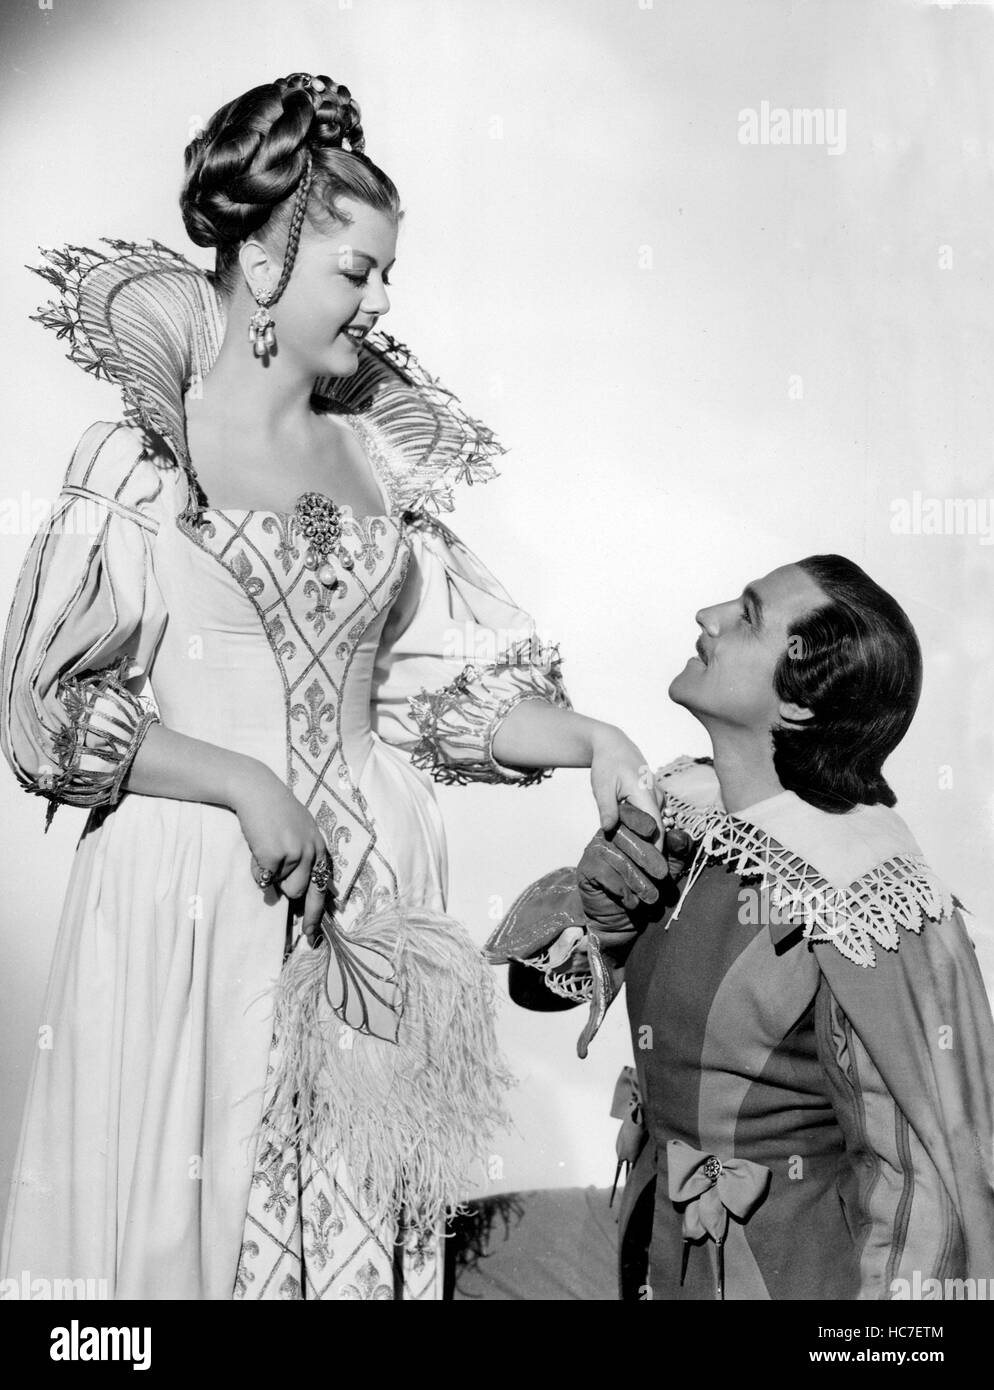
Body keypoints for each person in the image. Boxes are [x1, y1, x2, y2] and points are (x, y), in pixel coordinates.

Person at [0, 71, 658, 1301]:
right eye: (357, 270)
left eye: (384, 270)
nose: (382, 295)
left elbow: (421, 691)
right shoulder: (146, 451)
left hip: (374, 895)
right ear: (261, 266)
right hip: (201, 889)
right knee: (183, 1230)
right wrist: (243, 780)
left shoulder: (375, 458)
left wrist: (591, 737)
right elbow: (44, 713)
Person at [489, 555, 994, 1300]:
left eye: (749, 615)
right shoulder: (689, 815)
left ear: (799, 705)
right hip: (659, 1259)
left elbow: (936, 1184)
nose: (708, 615)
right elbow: (538, 997)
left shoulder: (867, 896)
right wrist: (602, 928)